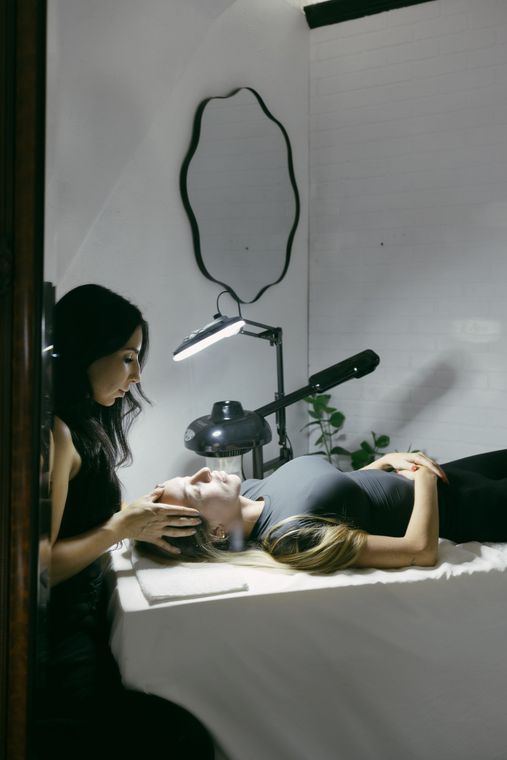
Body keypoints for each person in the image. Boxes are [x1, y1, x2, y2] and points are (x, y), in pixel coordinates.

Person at [38, 284, 215, 760]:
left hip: (85, 627)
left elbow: (82, 525)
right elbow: (40, 570)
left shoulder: (84, 426)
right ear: (84, 351)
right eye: (127, 357)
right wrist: (119, 527)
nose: (136, 375)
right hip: (59, 649)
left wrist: (134, 516)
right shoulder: (56, 433)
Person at [142, 449, 507, 573]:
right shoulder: (289, 536)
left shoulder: (250, 491)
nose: (204, 471)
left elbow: (343, 491)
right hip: (466, 507)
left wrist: (381, 462)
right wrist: (424, 480)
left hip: (446, 474)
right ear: (217, 531)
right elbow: (419, 552)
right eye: (195, 488)